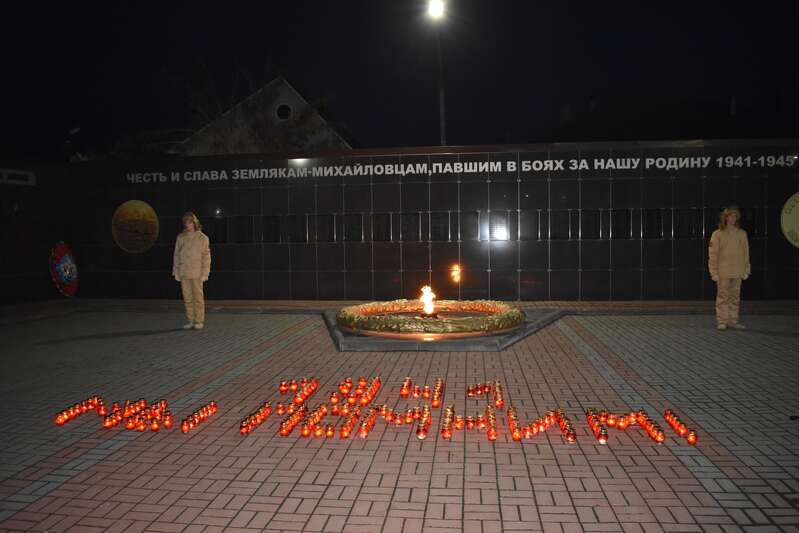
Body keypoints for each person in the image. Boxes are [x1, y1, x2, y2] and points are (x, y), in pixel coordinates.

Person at [708, 206, 750, 331]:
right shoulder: (717, 234)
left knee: (735, 297)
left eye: (735, 216)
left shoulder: (742, 234)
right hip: (723, 272)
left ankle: (733, 321)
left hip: (738, 271)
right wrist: (713, 272)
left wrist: (746, 269)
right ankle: (722, 321)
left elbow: (746, 253)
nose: (732, 218)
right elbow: (712, 254)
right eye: (730, 216)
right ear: (725, 218)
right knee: (723, 297)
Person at [172, 212, 211, 330]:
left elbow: (206, 257)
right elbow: (176, 255)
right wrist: (176, 272)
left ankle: (199, 321)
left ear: (194, 223)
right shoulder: (181, 237)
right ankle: (190, 320)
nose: (188, 225)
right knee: (187, 298)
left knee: (198, 298)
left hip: (197, 273)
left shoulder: (202, 238)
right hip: (184, 272)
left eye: (190, 222)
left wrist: (205, 273)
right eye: (186, 222)